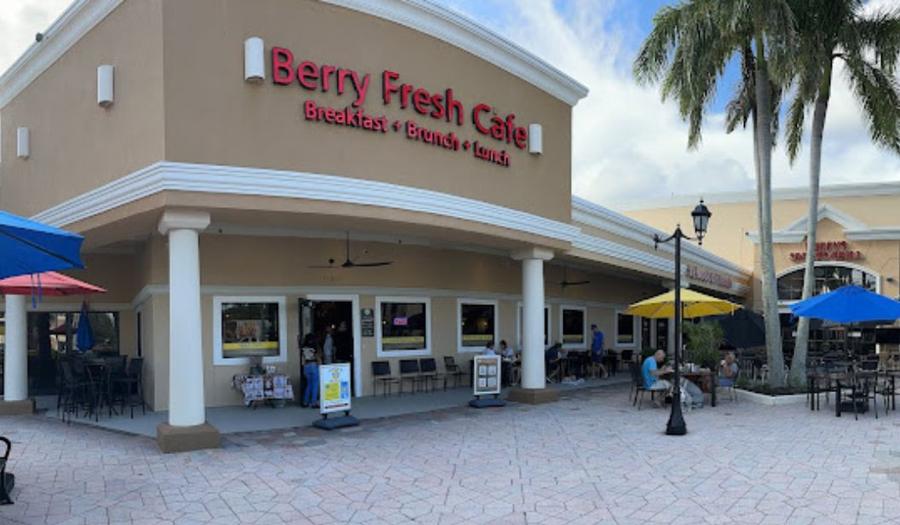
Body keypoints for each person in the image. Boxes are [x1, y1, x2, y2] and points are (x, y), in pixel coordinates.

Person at [301, 333, 320, 408]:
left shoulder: (303, 348)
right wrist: (319, 363)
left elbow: (303, 359)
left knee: (309, 384)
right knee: (315, 384)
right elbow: (317, 357)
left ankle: (305, 402)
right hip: (313, 364)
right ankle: (313, 402)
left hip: (306, 366)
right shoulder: (314, 347)